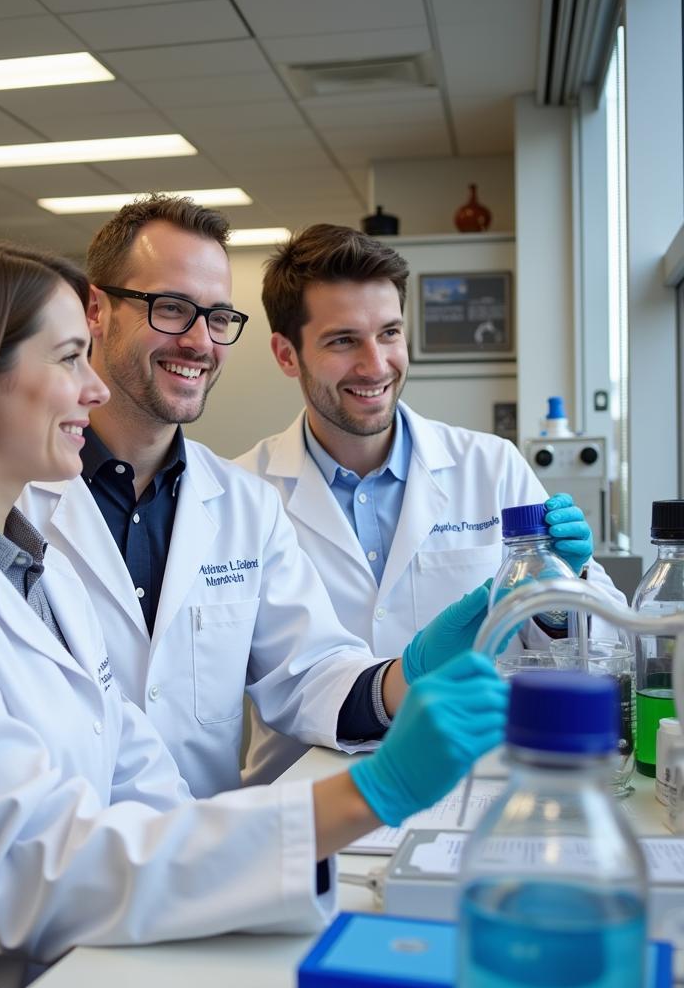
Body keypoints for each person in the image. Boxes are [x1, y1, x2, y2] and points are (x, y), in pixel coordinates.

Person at [0, 239, 506, 988]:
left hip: (84, 956)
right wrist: (363, 796)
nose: (91, 389)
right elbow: (25, 870)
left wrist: (391, 694)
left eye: (217, 316)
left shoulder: (31, 570)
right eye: (70, 357)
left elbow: (142, 785)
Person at [17, 196, 499, 799]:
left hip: (208, 859)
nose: (199, 342)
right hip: (55, 864)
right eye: (171, 309)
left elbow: (306, 676)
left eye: (218, 317)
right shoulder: (10, 501)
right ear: (95, 309)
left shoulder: (245, 507)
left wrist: (411, 677)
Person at [237, 223, 627, 784]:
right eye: (343, 340)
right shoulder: (242, 494)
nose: (376, 365)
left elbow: (608, 646)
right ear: (285, 353)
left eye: (390, 333)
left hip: (480, 778)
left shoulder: (490, 466)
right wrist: (408, 675)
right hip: (309, 795)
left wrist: (561, 605)